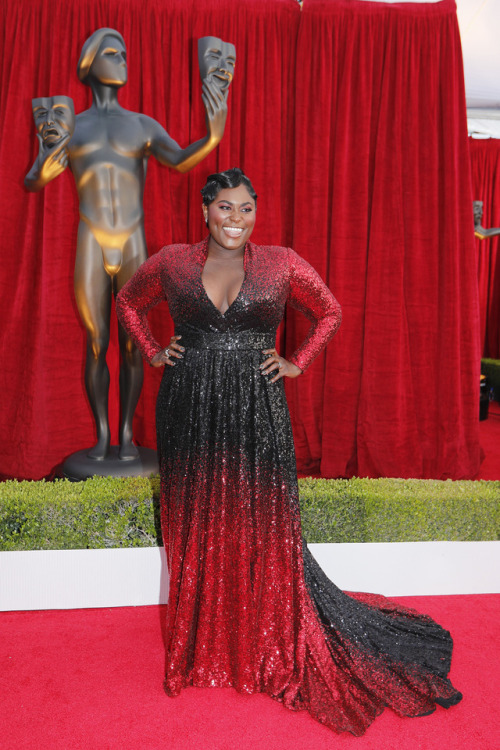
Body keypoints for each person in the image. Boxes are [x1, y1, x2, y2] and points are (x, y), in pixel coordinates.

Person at [116, 168, 462, 736]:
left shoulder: (281, 262)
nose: (236, 220)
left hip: (259, 407)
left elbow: (329, 311)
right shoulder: (172, 261)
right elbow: (130, 303)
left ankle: (261, 643)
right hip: (188, 406)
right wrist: (154, 351)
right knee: (193, 521)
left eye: (247, 209)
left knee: (261, 520)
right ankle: (198, 649)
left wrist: (297, 360)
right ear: (206, 211)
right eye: (225, 208)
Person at [25, 28, 232, 462]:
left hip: (133, 240)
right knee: (97, 342)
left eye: (124, 53)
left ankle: (126, 435)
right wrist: (45, 168)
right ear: (89, 64)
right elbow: (33, 178)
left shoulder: (141, 125)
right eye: (113, 53)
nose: (122, 60)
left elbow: (178, 159)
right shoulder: (72, 125)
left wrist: (213, 136)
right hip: (91, 239)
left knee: (134, 342)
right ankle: (103, 436)